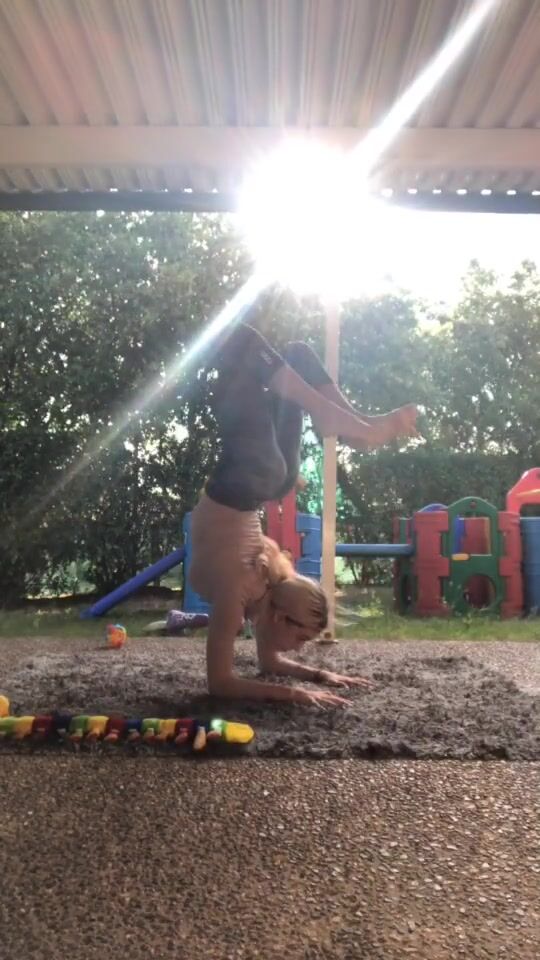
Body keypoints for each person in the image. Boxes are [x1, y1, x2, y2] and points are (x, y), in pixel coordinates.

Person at [189, 319, 417, 708]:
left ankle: (344, 422)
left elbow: (231, 678)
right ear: (281, 619)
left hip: (238, 489)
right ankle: (346, 423)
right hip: (259, 486)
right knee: (296, 354)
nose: (300, 649)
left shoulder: (243, 598)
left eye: (303, 642)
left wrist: (312, 680)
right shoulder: (259, 593)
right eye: (301, 639)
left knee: (240, 338)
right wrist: (307, 685)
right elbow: (237, 677)